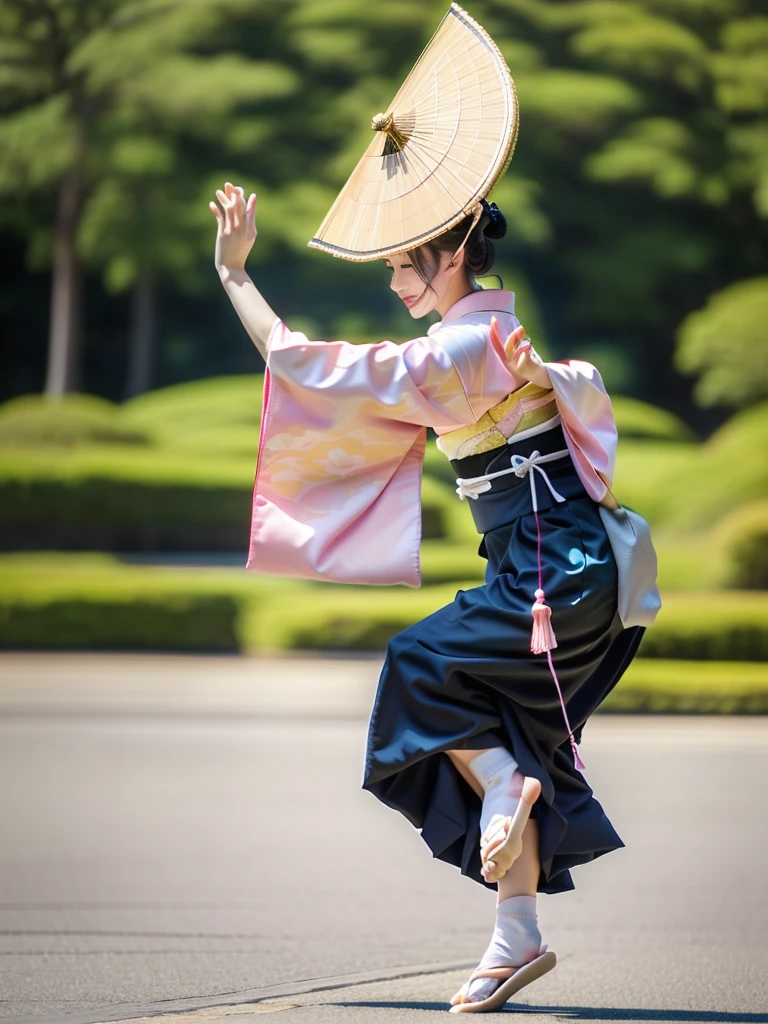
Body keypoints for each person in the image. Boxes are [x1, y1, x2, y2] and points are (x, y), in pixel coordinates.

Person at [209, 181, 650, 1012]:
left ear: (452, 255)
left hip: (551, 566)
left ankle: (503, 791)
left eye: (404, 265)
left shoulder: (459, 350)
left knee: (421, 666)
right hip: (568, 562)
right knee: (507, 738)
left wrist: (236, 274)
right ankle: (513, 932)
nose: (394, 283)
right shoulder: (492, 336)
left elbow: (299, 365)